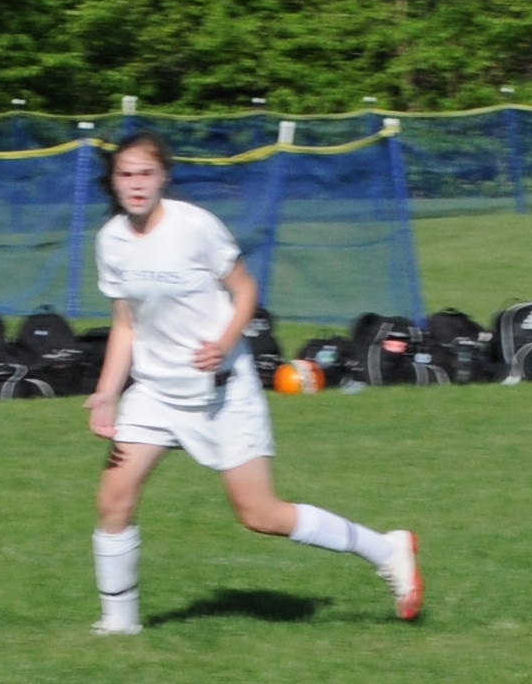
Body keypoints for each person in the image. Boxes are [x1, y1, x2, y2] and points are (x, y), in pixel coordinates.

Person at [84, 129, 422, 634]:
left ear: (164, 177)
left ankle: (386, 549)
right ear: (113, 181)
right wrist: (107, 392)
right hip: (154, 392)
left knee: (260, 514)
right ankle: (119, 624)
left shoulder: (195, 226)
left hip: (221, 392)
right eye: (125, 174)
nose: (136, 184)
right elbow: (125, 324)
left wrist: (223, 343)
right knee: (113, 497)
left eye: (146, 173)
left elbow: (245, 291)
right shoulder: (111, 240)